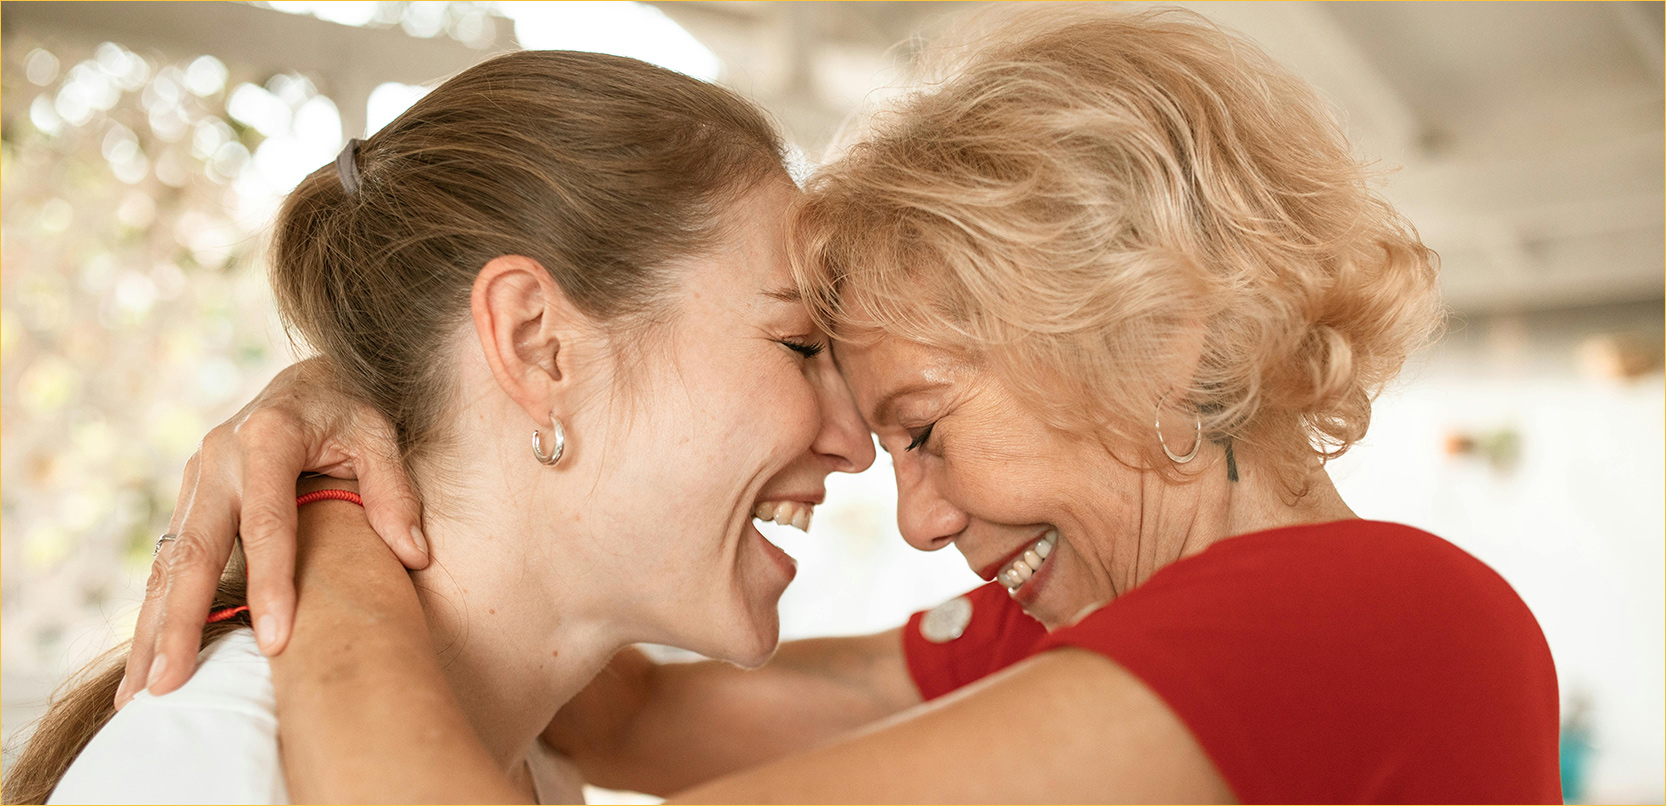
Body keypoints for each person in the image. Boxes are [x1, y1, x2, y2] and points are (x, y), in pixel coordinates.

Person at [104, 7, 1562, 804]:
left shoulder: (1367, 618)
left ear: (1160, 341)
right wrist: (387, 399)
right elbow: (633, 717)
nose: (906, 507)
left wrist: (331, 516)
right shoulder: (1086, 633)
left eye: (921, 422)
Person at [2, 49, 877, 805]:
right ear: (536, 345)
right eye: (800, 346)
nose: (857, 442)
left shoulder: (531, 764)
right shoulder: (209, 766)